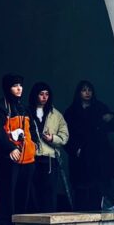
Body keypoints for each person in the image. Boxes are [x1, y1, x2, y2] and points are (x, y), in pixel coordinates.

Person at [0, 73, 36, 225]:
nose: (19, 89)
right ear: (7, 88)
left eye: (20, 86)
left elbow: (31, 131)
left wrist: (34, 147)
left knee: (23, 193)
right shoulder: (0, 107)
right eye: (15, 86)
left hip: (27, 158)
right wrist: (10, 148)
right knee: (7, 192)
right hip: (9, 158)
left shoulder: (23, 108)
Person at [64, 79, 114, 211]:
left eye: (89, 90)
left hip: (99, 155)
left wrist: (111, 117)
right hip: (80, 156)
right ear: (79, 93)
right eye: (84, 90)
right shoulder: (71, 111)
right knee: (81, 190)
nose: (87, 93)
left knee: (99, 188)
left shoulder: (100, 108)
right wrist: (75, 149)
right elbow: (65, 134)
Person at [27, 82, 69, 213]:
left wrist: (52, 139)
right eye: (41, 94)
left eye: (47, 94)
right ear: (35, 95)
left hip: (49, 159)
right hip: (31, 157)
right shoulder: (26, 111)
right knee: (32, 192)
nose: (44, 97)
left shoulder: (56, 115)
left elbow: (64, 136)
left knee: (49, 193)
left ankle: (48, 223)